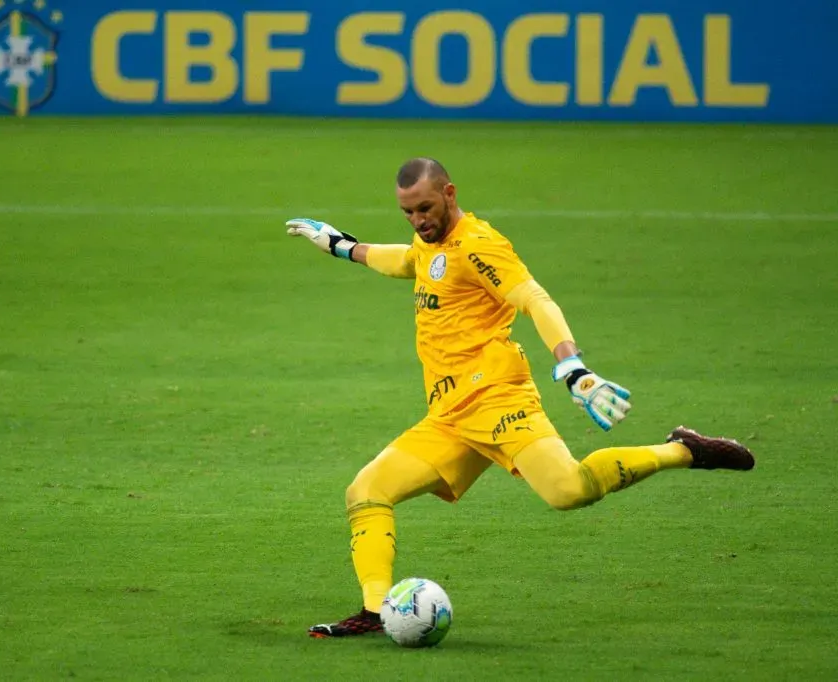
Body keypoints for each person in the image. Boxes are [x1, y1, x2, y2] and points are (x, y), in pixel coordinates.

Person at [285, 157, 755, 639]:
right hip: (449, 416)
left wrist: (572, 367)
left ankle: (683, 450)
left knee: (567, 491)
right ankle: (375, 611)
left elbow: (535, 298)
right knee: (366, 491)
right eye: (407, 212)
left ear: (449, 193)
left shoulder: (480, 245)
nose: (417, 221)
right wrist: (343, 246)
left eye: (425, 208)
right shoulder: (429, 246)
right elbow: (405, 260)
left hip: (499, 399)